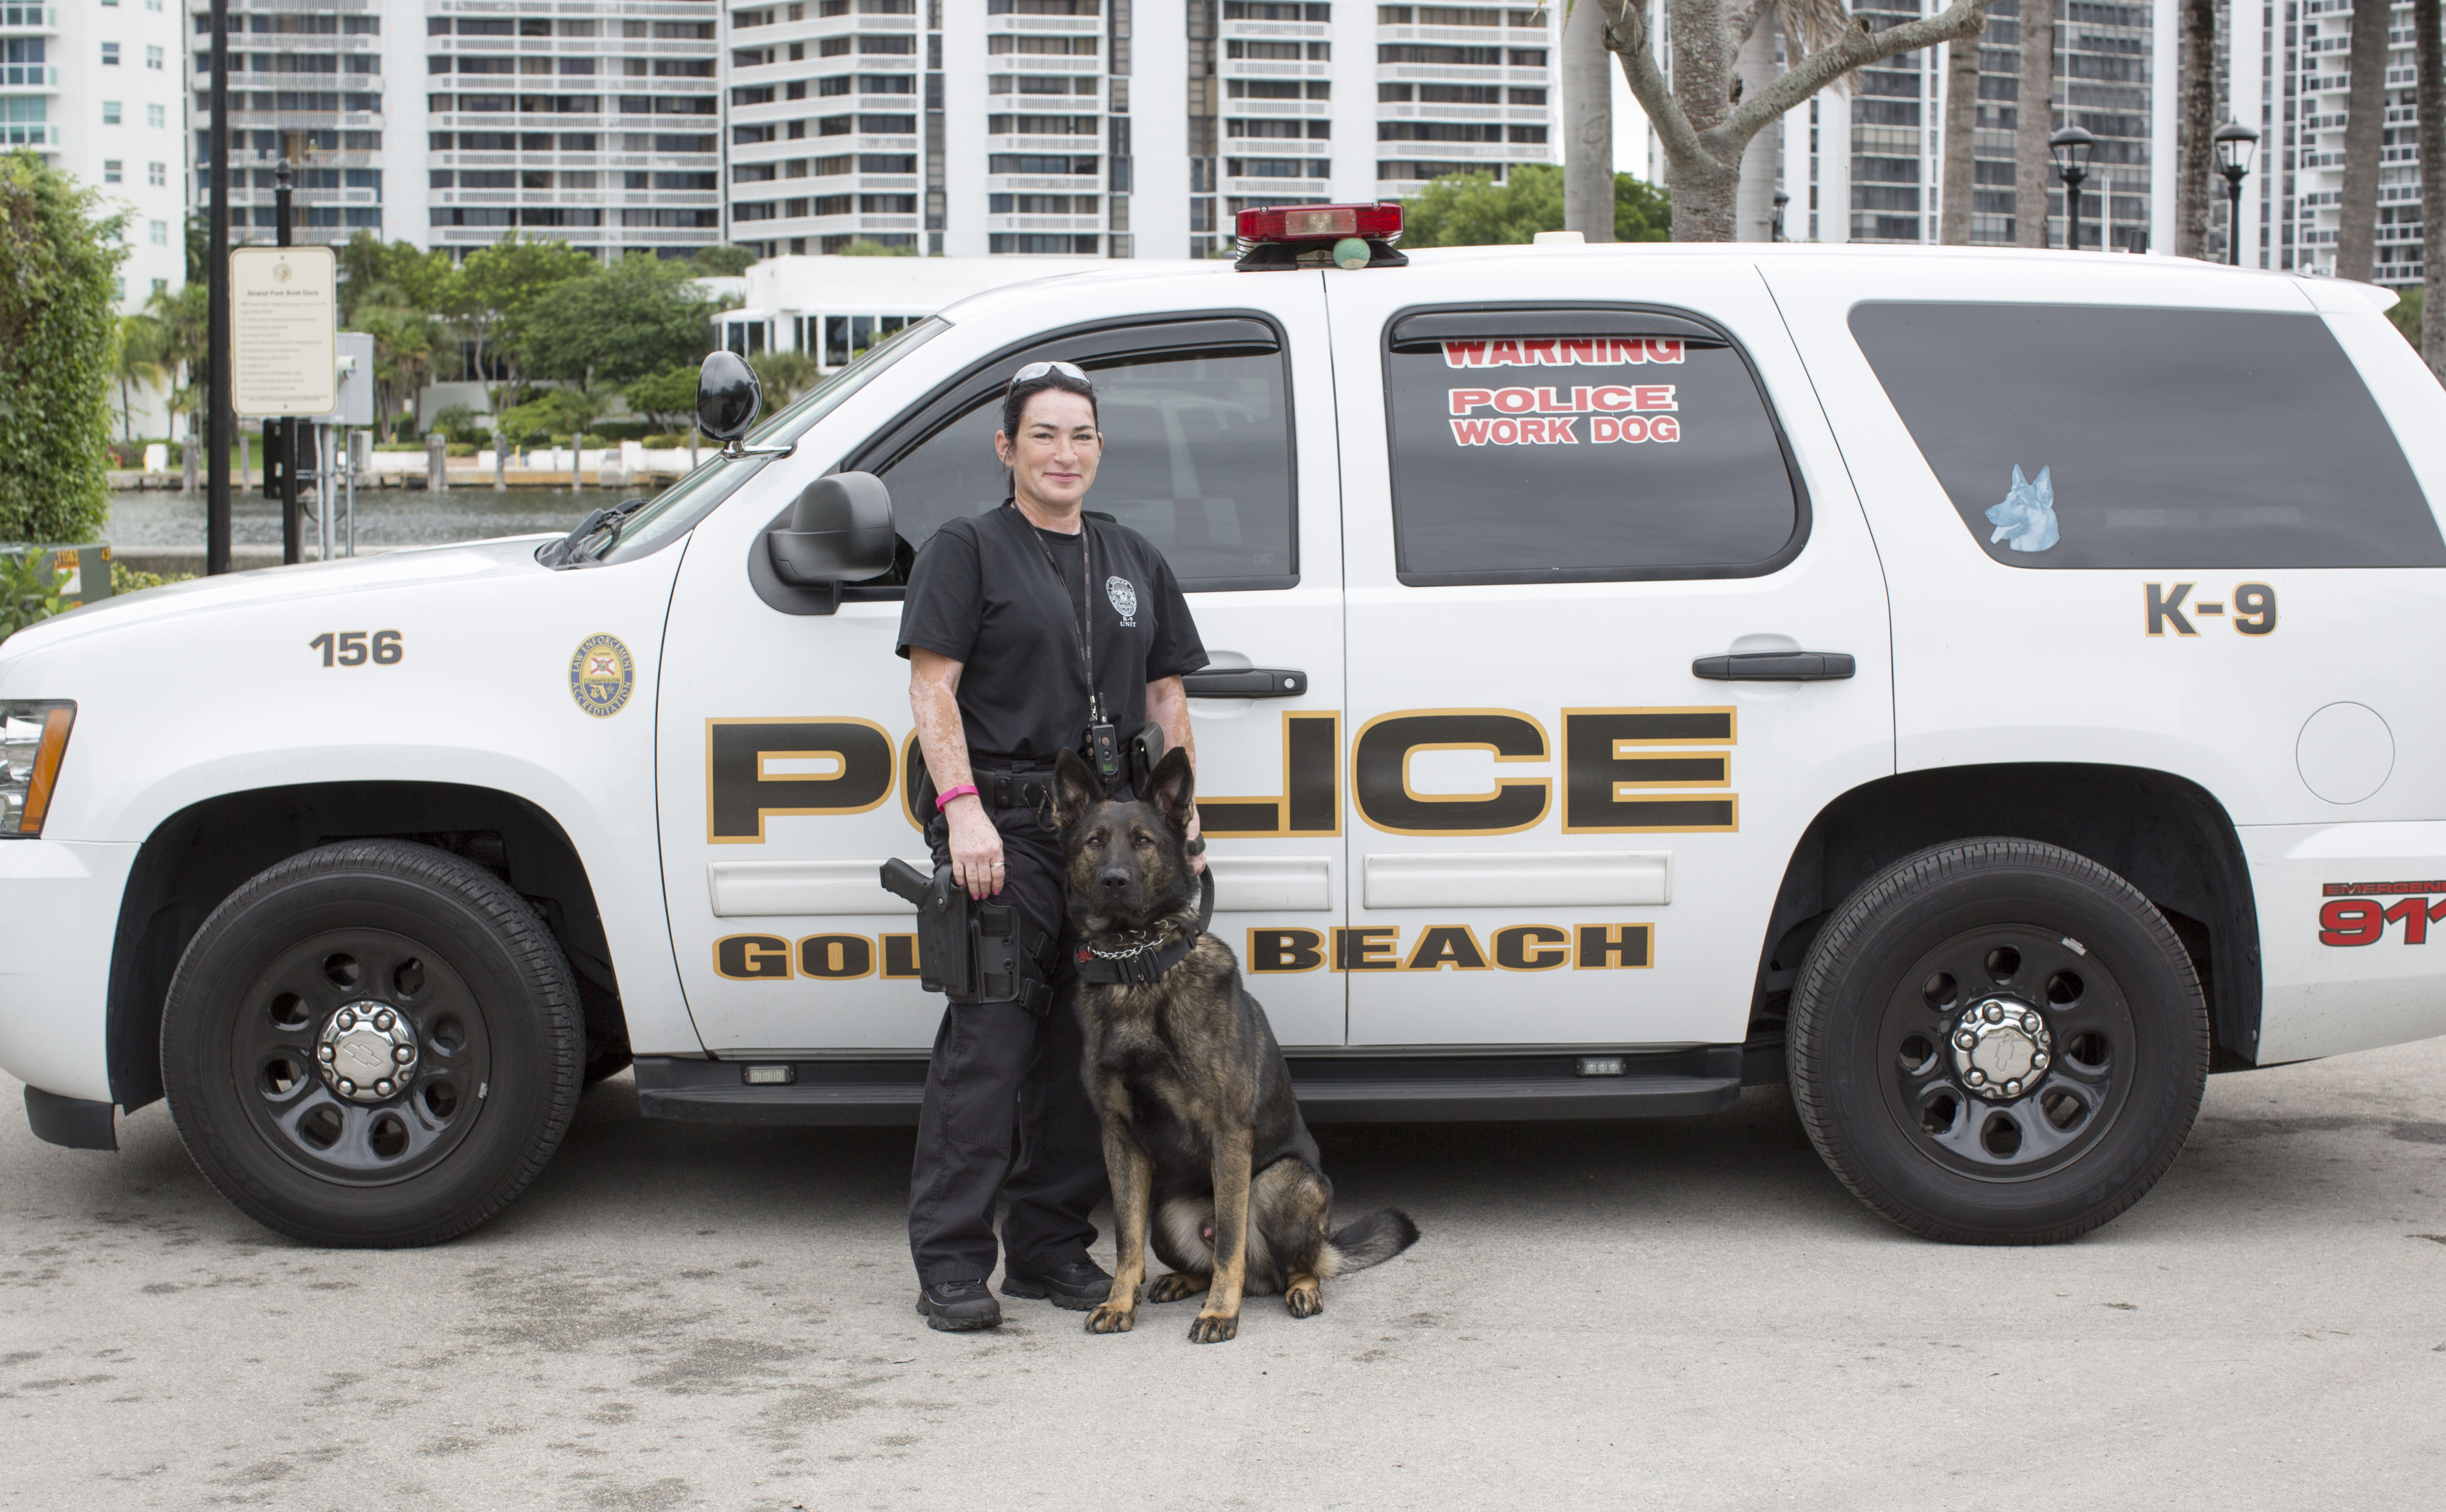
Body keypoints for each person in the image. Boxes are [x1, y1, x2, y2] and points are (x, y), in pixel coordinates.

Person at [894, 360, 1210, 1332]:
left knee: (1088, 1046)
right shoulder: (966, 549)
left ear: (1099, 449)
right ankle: (953, 1261)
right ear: (1007, 448)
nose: (1063, 453)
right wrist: (963, 812)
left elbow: (1165, 695)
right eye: (1043, 434)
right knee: (988, 1045)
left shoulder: (1131, 557)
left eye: (1080, 435)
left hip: (1106, 846)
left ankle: (1047, 1248)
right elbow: (933, 689)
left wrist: (1185, 827)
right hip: (1003, 828)